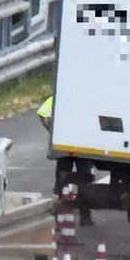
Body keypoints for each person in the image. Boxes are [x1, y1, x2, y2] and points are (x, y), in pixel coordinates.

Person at [38, 95, 97, 226]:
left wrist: (53, 132)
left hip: (64, 144)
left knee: (63, 177)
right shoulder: (89, 98)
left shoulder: (62, 95)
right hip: (83, 146)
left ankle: (61, 213)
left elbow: (43, 113)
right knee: (84, 179)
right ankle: (85, 216)